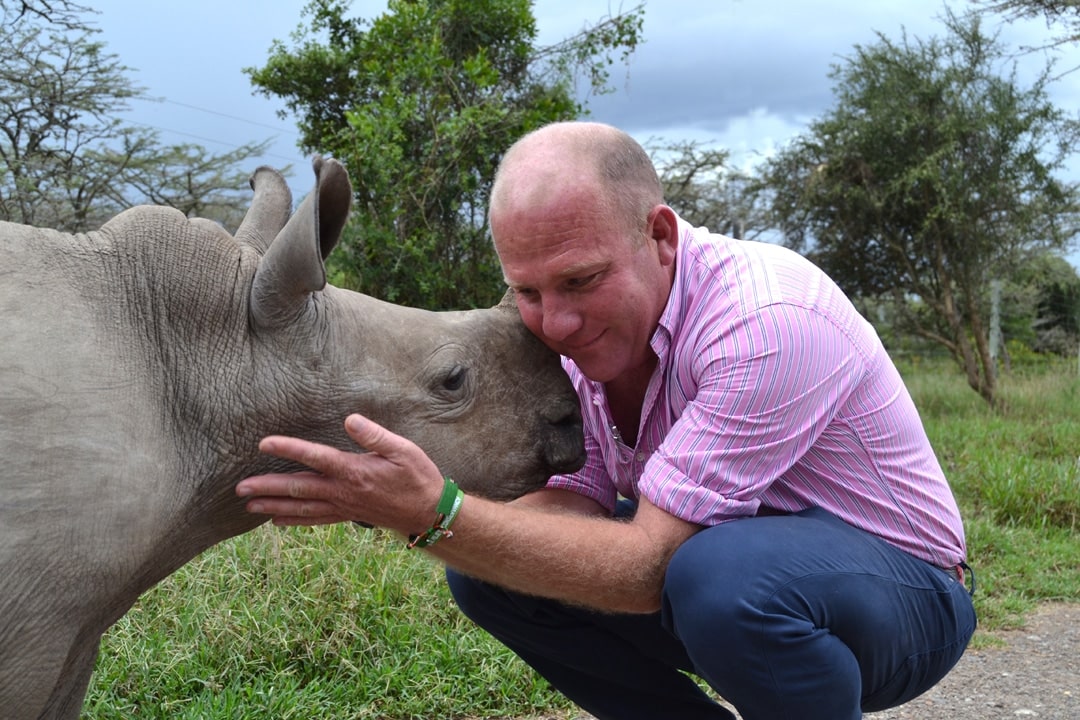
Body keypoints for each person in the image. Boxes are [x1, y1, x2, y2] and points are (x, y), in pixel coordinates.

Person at [235, 121, 977, 720]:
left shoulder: (766, 321)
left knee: (718, 579)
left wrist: (436, 515)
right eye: (527, 291)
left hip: (903, 594)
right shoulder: (577, 340)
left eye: (581, 280)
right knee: (489, 573)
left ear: (660, 236)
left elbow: (648, 570)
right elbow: (570, 504)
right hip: (728, 562)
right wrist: (420, 509)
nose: (555, 322)